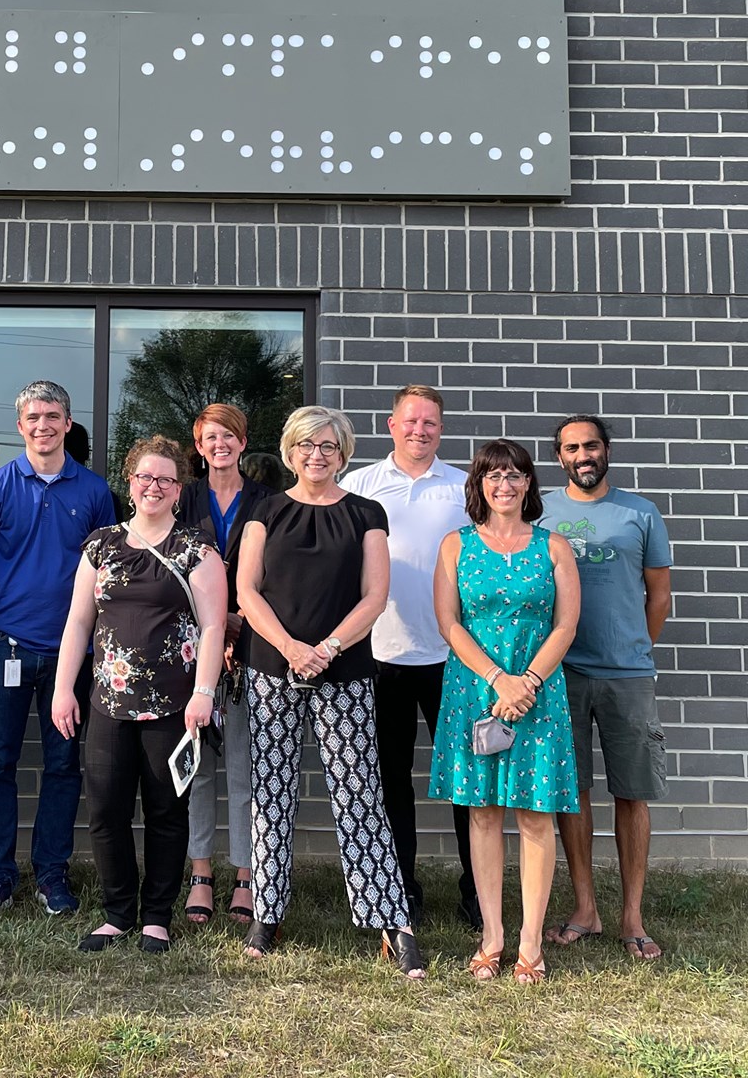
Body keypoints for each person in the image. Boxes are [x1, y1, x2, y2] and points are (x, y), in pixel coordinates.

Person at [237, 405, 424, 977]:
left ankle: (390, 919)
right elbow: (246, 590)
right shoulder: (264, 511)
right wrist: (292, 648)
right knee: (271, 793)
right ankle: (266, 913)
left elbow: (375, 595)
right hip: (272, 667)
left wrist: (328, 648)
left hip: (344, 671)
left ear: (343, 453)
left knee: (359, 793)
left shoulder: (367, 511)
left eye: (328, 446)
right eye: (305, 445)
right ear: (289, 450)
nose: (316, 456)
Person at [54, 437, 228, 953]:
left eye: (165, 480)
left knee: (166, 811)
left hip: (175, 704)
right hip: (107, 702)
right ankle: (116, 912)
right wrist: (65, 689)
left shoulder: (197, 549)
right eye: (144, 477)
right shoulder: (101, 544)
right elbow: (78, 621)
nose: (153, 487)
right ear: (130, 482)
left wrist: (204, 692)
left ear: (179, 489)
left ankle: (156, 916)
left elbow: (215, 627)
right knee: (106, 809)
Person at [0, 379, 117, 915]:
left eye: (53, 416)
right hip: (4, 644)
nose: (43, 426)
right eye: (33, 417)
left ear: (67, 424)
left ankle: (52, 872)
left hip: (70, 653)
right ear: (20, 425)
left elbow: (103, 575)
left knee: (62, 764)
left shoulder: (94, 491)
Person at [429, 441, 581, 983]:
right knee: (483, 812)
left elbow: (565, 624)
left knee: (537, 814)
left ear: (528, 485)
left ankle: (530, 943)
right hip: (476, 691)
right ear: (479, 484)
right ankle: (491, 935)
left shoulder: (555, 547)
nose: (505, 484)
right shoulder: (455, 546)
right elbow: (449, 623)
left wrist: (528, 681)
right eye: (493, 475)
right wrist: (499, 679)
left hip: (539, 695)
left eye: (515, 475)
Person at [338, 384, 479, 928]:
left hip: (455, 657)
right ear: (391, 424)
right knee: (391, 778)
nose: (421, 431)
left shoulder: (464, 488)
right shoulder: (360, 486)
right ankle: (404, 889)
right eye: (411, 421)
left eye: (431, 424)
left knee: (468, 779)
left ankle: (476, 889)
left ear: (441, 430)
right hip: (380, 656)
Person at [540, 415, 674, 963]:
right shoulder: (541, 509)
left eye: (591, 445)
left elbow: (659, 596)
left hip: (627, 674)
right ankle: (585, 908)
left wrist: (633, 646)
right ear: (560, 458)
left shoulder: (640, 512)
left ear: (607, 450)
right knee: (573, 793)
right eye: (571, 448)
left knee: (632, 793)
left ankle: (632, 916)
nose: (583, 455)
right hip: (560, 673)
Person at [172, 402, 276, 927]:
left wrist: (239, 621)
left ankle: (246, 875)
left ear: (242, 441)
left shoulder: (269, 500)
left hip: (253, 645)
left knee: (244, 765)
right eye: (211, 437)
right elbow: (165, 567)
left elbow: (275, 572)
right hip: (189, 646)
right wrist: (216, 620)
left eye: (230, 435)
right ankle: (201, 874)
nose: (221, 444)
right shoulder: (181, 496)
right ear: (199, 444)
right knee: (197, 768)